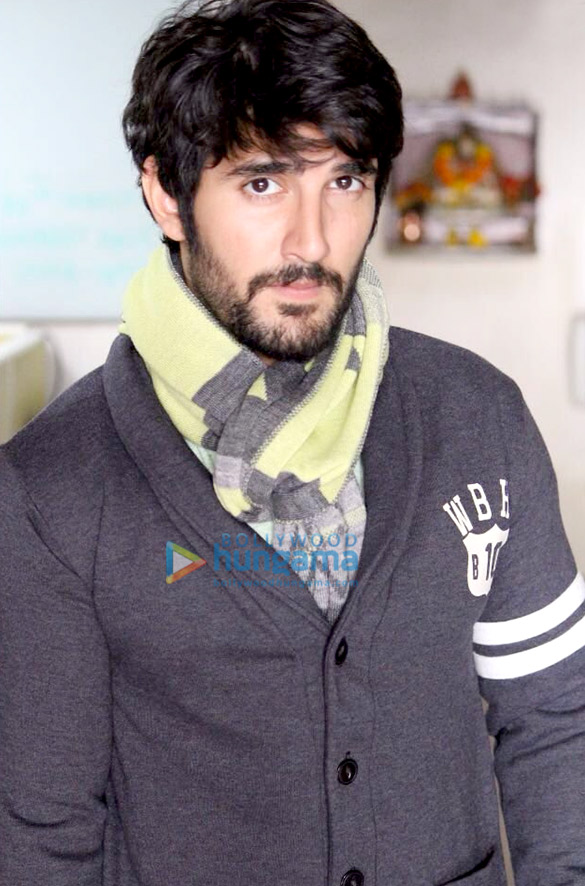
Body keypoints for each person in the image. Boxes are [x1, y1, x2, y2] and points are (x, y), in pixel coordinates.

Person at [0, 0, 583, 883]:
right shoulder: (54, 487)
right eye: (262, 183)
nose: (311, 241)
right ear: (166, 195)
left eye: (343, 181)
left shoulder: (476, 417)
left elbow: (555, 719)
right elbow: (43, 834)